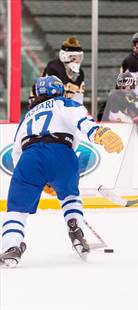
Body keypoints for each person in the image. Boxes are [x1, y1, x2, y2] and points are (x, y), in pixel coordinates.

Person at [0, 76, 123, 267]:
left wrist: (35, 180)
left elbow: (17, 152)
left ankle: (11, 248)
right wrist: (98, 133)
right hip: (62, 153)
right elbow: (82, 121)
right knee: (70, 197)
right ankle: (76, 229)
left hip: (29, 157)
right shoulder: (64, 103)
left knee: (16, 209)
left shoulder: (28, 116)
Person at [35, 36, 85, 104]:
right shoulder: (54, 68)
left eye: (79, 57)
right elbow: (47, 95)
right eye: (73, 57)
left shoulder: (80, 73)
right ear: (64, 55)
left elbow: (78, 98)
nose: (77, 61)